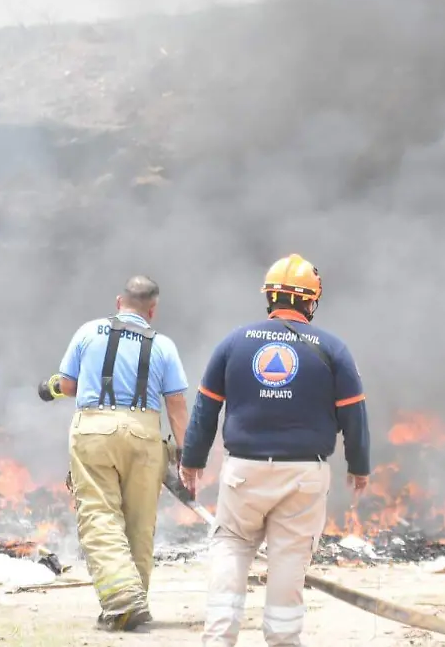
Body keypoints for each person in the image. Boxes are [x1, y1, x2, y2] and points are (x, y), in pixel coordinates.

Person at [179, 253, 371, 647]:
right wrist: (359, 464)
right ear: (311, 302)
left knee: (232, 546)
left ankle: (218, 639)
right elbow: (355, 415)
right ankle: (284, 640)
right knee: (289, 557)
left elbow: (205, 408)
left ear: (270, 297)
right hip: (305, 475)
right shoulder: (333, 349)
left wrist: (192, 461)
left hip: (244, 472)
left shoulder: (234, 342)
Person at [47, 275, 190, 631]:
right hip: (145, 435)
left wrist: (49, 388)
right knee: (140, 524)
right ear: (152, 310)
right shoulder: (164, 345)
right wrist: (185, 453)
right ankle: (134, 604)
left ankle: (122, 600)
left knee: (99, 514)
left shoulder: (88, 332)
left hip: (94, 430)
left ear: (118, 302)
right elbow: (176, 403)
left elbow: (67, 384)